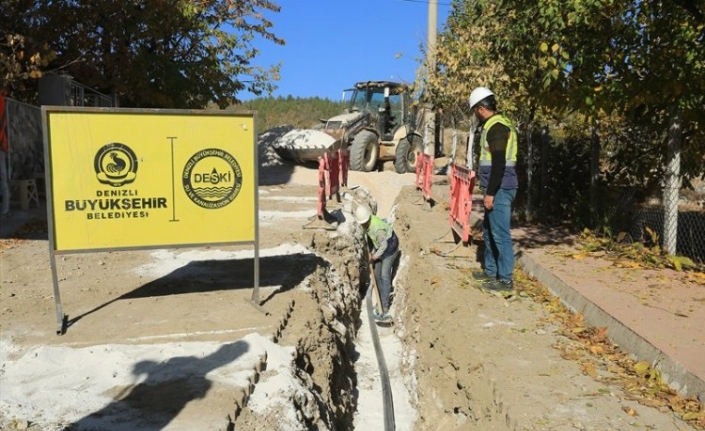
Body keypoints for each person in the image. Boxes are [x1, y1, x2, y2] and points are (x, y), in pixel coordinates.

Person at [468, 87, 519, 293]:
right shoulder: (494, 125)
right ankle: (490, 271)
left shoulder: (497, 128)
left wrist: (490, 193)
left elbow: (498, 163)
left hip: (500, 189)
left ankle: (505, 280)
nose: (475, 115)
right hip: (496, 187)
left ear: (481, 109)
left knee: (500, 234)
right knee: (489, 231)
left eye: (474, 111)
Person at [353, 204, 399, 320]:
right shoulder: (366, 223)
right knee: (376, 274)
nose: (363, 225)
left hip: (390, 248)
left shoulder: (377, 228)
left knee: (384, 276)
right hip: (380, 248)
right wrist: (369, 246)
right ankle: (379, 300)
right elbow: (368, 235)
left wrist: (373, 257)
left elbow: (384, 246)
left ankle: (384, 306)